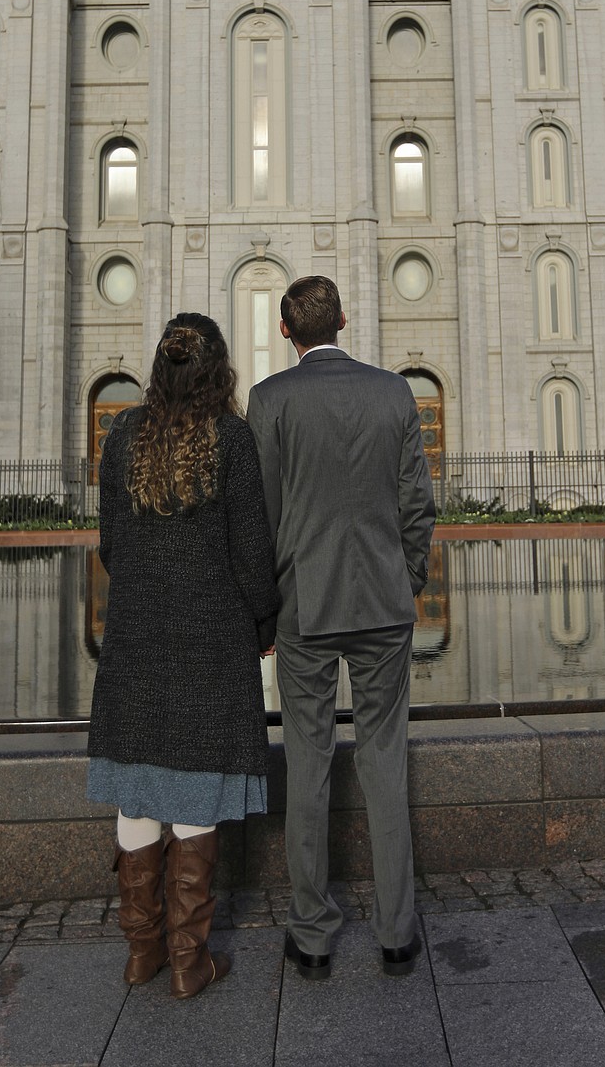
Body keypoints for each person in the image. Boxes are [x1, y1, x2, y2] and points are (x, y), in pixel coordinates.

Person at [247, 276, 436, 980]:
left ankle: (314, 935)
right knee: (387, 762)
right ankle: (396, 932)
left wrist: (268, 609)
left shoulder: (269, 401)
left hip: (306, 609)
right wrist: (405, 579)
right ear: (345, 322)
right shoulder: (394, 393)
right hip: (384, 607)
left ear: (287, 331)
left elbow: (260, 520)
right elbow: (418, 505)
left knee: (309, 762)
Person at [87, 312, 280, 999]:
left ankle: (143, 952)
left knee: (138, 784)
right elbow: (254, 557)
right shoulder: (231, 438)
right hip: (210, 639)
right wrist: (264, 622)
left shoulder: (123, 436)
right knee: (196, 783)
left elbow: (110, 544)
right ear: (218, 371)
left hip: (137, 634)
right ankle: (189, 959)